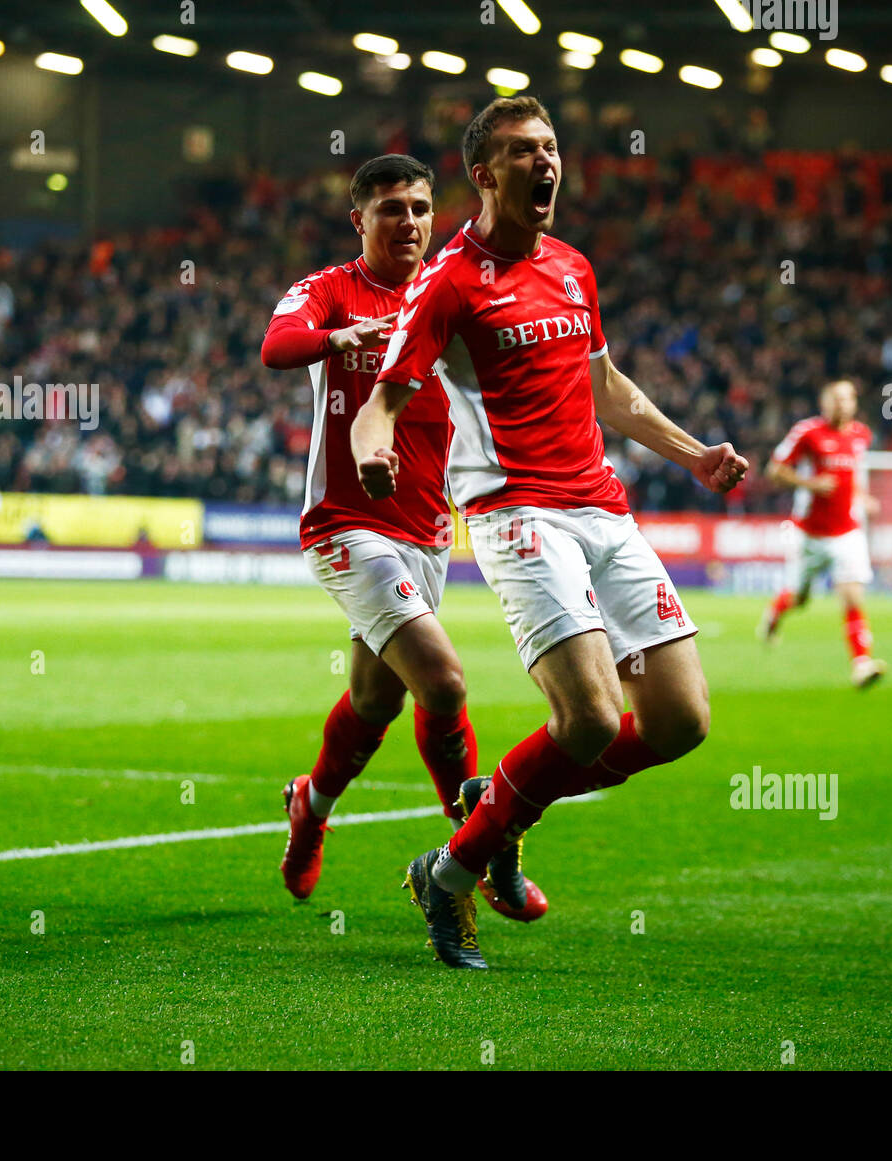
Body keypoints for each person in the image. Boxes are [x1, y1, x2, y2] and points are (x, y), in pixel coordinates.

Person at [352, 98, 747, 968]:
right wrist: (373, 450)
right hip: (516, 512)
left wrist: (693, 454)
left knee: (680, 721)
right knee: (590, 718)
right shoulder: (447, 280)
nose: (547, 163)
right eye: (525, 152)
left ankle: (496, 807)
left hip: (603, 508)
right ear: (485, 175)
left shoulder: (572, 267)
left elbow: (607, 388)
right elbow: (383, 398)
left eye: (553, 148)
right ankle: (450, 876)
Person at [260, 153, 546, 920]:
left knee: (374, 701)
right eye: (392, 209)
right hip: (345, 525)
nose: (411, 222)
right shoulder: (329, 289)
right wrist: (338, 339)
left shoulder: (449, 291)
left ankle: (309, 806)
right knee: (445, 681)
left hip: (426, 532)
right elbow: (276, 347)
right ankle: (478, 841)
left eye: (421, 208)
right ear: (360, 220)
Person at [759, 379, 887, 689]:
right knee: (801, 598)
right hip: (810, 534)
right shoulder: (807, 433)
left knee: (852, 595)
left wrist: (861, 497)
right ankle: (774, 613)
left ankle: (861, 664)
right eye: (836, 399)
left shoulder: (861, 435)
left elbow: (850, 476)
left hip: (847, 532)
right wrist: (812, 485)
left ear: (855, 403)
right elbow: (773, 471)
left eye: (848, 399)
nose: (842, 404)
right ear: (824, 402)